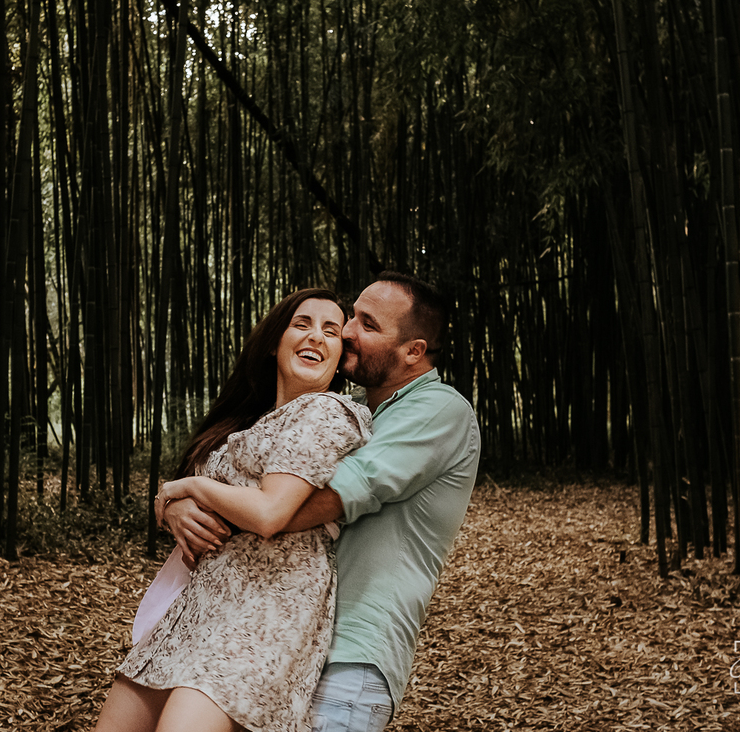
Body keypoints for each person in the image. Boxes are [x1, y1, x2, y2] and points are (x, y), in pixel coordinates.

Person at [164, 272, 481, 732]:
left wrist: (198, 500)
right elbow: (243, 473)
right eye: (352, 316)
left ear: (413, 351)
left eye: (367, 324)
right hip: (283, 645)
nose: (346, 331)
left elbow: (313, 502)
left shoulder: (439, 409)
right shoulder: (352, 408)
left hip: (350, 658)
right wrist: (173, 505)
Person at [93, 287, 372, 732]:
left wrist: (189, 487)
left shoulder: (325, 411)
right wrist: (174, 507)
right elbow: (206, 501)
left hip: (269, 604)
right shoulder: (248, 421)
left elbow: (268, 512)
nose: (316, 336)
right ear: (275, 341)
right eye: (301, 324)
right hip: (201, 601)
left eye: (331, 331)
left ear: (340, 358)